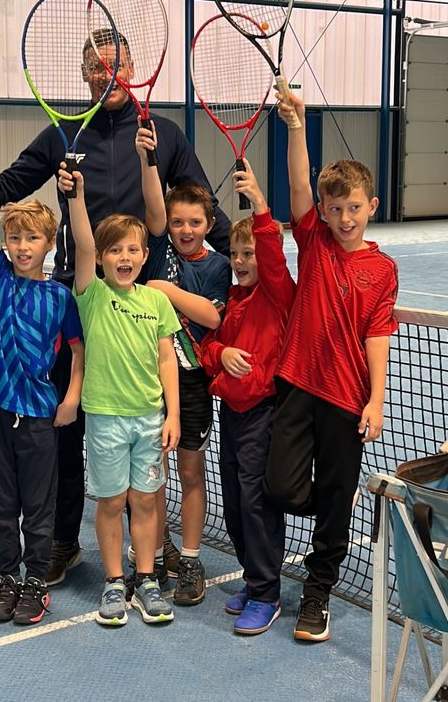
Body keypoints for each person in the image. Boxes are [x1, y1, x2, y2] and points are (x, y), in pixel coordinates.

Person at [0, 34, 229, 586]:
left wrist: (258, 272)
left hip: (141, 311)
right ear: (84, 75)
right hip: (76, 305)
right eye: (96, 67)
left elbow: (204, 212)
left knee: (144, 427)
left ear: (134, 67)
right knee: (66, 426)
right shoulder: (63, 134)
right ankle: (61, 541)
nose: (107, 75)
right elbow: (4, 188)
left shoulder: (165, 136)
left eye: (116, 64)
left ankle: (155, 546)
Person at [264, 92, 399, 644]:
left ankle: (317, 591)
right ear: (324, 211)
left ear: (371, 205)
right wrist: (297, 126)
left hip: (347, 399)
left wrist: (376, 399)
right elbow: (298, 184)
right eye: (335, 208)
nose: (344, 217)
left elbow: (377, 334)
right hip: (297, 383)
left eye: (354, 207)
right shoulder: (314, 242)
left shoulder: (382, 269)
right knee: (281, 488)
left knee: (336, 497)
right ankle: (338, 510)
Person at [0, 134, 84, 626]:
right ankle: (7, 576)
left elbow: (78, 351)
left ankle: (36, 580)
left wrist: (71, 397)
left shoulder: (60, 298)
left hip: (37, 415)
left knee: (38, 505)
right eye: (15, 238)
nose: (22, 246)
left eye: (32, 238)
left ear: (49, 244)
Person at [58, 162, 181, 626]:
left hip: (149, 418)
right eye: (115, 251)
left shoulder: (156, 301)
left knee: (146, 500)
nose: (123, 257)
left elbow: (166, 360)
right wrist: (77, 195)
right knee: (112, 502)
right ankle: (114, 581)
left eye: (132, 250)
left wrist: (172, 415)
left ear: (144, 256)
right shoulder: (90, 294)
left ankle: (146, 577)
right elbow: (83, 242)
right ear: (103, 259)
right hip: (107, 418)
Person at [136, 126, 231, 607]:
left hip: (192, 385)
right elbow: (153, 202)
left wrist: (168, 291)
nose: (185, 229)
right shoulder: (157, 248)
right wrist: (149, 160)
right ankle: (154, 555)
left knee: (191, 473)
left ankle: (191, 559)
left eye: (195, 221)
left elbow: (212, 315)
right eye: (178, 222)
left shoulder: (217, 267)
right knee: (152, 476)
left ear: (209, 222)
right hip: (147, 384)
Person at [200, 159, 295, 635]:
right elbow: (207, 349)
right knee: (235, 503)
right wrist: (223, 354)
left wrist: (259, 206)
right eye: (236, 253)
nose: (241, 261)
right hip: (230, 413)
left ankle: (266, 591)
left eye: (249, 253)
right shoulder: (232, 300)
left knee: (257, 503)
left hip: (263, 414)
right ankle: (253, 576)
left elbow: (274, 256)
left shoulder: (279, 294)